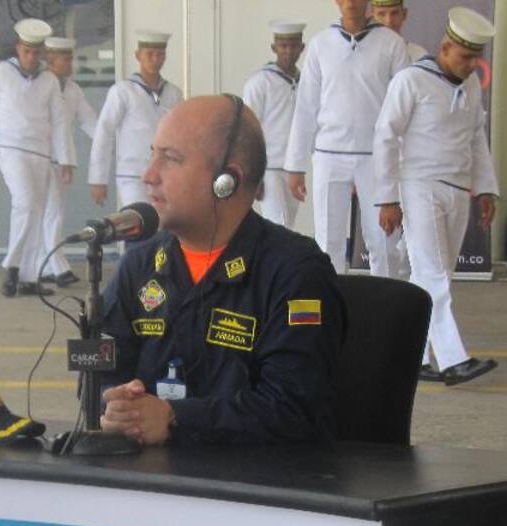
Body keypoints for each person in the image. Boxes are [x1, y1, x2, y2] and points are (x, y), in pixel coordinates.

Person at [99, 95, 346, 446]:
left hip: (257, 477)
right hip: (147, 474)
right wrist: (113, 403)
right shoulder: (138, 265)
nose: (148, 175)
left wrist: (175, 418)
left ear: (226, 180)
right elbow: (101, 375)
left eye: (170, 158)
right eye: (152, 154)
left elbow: (293, 408)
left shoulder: (296, 273)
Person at [374, 7, 499, 386]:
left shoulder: (471, 86)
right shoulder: (411, 80)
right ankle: (453, 360)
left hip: (458, 188)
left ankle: (410, 356)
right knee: (434, 275)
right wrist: (388, 198)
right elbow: (385, 136)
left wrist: (486, 188)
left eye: (476, 57)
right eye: (465, 57)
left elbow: (477, 139)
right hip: (419, 186)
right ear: (444, 48)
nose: (471, 65)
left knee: (428, 279)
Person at [285, 0, 412, 278]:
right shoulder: (320, 44)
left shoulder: (391, 44)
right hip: (329, 153)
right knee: (327, 240)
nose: (351, 3)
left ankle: (386, 301)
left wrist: (402, 161)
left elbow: (404, 106)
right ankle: (331, 300)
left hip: (377, 156)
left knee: (383, 240)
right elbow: (306, 107)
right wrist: (295, 165)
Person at [0, 19, 74, 298]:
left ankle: (27, 277)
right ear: (18, 49)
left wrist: (65, 159)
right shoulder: (1, 72)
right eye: (27, 51)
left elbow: (59, 120)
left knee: (35, 213)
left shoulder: (49, 80)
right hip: (12, 150)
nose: (31, 57)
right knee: (25, 203)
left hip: (41, 152)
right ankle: (12, 266)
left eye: (36, 52)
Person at [88, 31, 183, 211]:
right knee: (136, 220)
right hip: (132, 174)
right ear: (138, 56)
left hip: (163, 173)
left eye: (160, 54)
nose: (155, 59)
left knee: (163, 223)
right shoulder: (123, 91)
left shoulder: (173, 93)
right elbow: (104, 132)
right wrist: (98, 178)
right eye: (150, 54)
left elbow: (181, 135)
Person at [39, 37, 98, 288]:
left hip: (59, 160)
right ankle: (57, 267)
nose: (70, 63)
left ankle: (44, 266)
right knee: (49, 214)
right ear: (51, 60)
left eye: (71, 57)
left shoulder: (72, 89)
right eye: (65, 59)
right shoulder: (39, 86)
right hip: (38, 157)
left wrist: (107, 141)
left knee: (51, 213)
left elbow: (88, 120)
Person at [242, 21, 306, 228]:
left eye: (293, 46)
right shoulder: (260, 82)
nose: (288, 51)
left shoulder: (306, 81)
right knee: (278, 223)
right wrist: (253, 172)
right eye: (283, 46)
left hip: (294, 167)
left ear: (302, 48)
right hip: (269, 167)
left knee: (287, 226)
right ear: (274, 48)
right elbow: (247, 128)